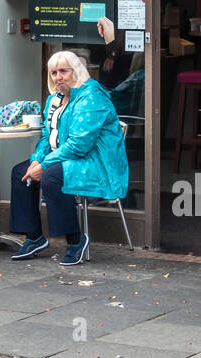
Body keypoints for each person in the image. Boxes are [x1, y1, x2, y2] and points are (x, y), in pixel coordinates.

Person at [10, 51, 129, 267]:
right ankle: (34, 236)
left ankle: (75, 240)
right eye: (54, 73)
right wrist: (37, 159)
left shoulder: (92, 97)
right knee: (21, 171)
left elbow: (79, 145)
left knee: (52, 177)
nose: (58, 77)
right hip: (64, 158)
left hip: (96, 162)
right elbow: (47, 135)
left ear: (77, 71)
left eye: (63, 71)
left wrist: (45, 165)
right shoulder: (54, 99)